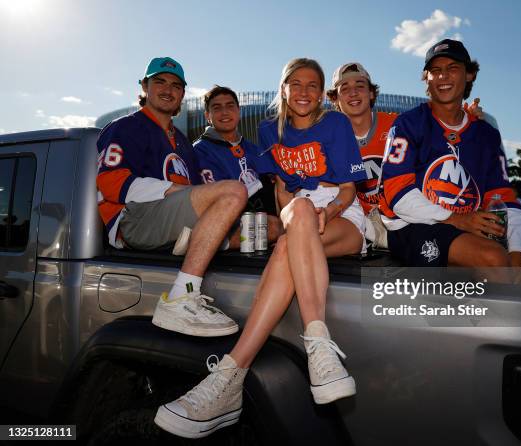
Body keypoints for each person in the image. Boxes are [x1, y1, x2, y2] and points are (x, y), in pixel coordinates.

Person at [380, 38, 521, 427]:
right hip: (418, 225)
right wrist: (458, 219)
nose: (444, 77)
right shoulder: (409, 123)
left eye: (453, 69)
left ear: (469, 76)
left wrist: (518, 246)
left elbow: (503, 196)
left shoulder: (486, 134)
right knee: (493, 260)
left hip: (476, 224)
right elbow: (396, 194)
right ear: (425, 79)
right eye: (436, 70)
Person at [154, 58, 367, 439]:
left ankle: (230, 375)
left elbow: (349, 190)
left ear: (321, 93)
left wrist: (327, 210)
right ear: (283, 88)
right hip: (299, 213)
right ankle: (314, 345)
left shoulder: (334, 123)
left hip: (343, 216)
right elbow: (283, 191)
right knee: (294, 223)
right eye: (295, 83)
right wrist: (296, 214)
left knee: (293, 234)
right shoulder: (271, 131)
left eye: (313, 85)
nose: (304, 91)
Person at [96, 57, 244, 337]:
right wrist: (173, 189)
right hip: (134, 221)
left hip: (170, 221)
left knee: (264, 227)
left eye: (175, 85)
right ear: (144, 86)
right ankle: (182, 297)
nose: (168, 89)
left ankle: (203, 242)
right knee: (234, 190)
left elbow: (202, 196)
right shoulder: (126, 126)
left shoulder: (182, 140)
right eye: (159, 82)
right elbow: (109, 182)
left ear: (182, 94)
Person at [326, 62, 483, 249]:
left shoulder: (400, 125)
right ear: (335, 99)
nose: (353, 93)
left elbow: (446, 138)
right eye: (345, 89)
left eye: (360, 86)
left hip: (409, 216)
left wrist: (466, 120)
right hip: (365, 224)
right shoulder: (328, 139)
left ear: (371, 93)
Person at [191, 85, 283, 250]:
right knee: (276, 227)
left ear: (238, 111)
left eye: (230, 106)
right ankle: (219, 242)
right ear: (207, 116)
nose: (225, 112)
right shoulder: (199, 150)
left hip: (261, 217)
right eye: (217, 108)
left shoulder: (253, 149)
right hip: (227, 221)